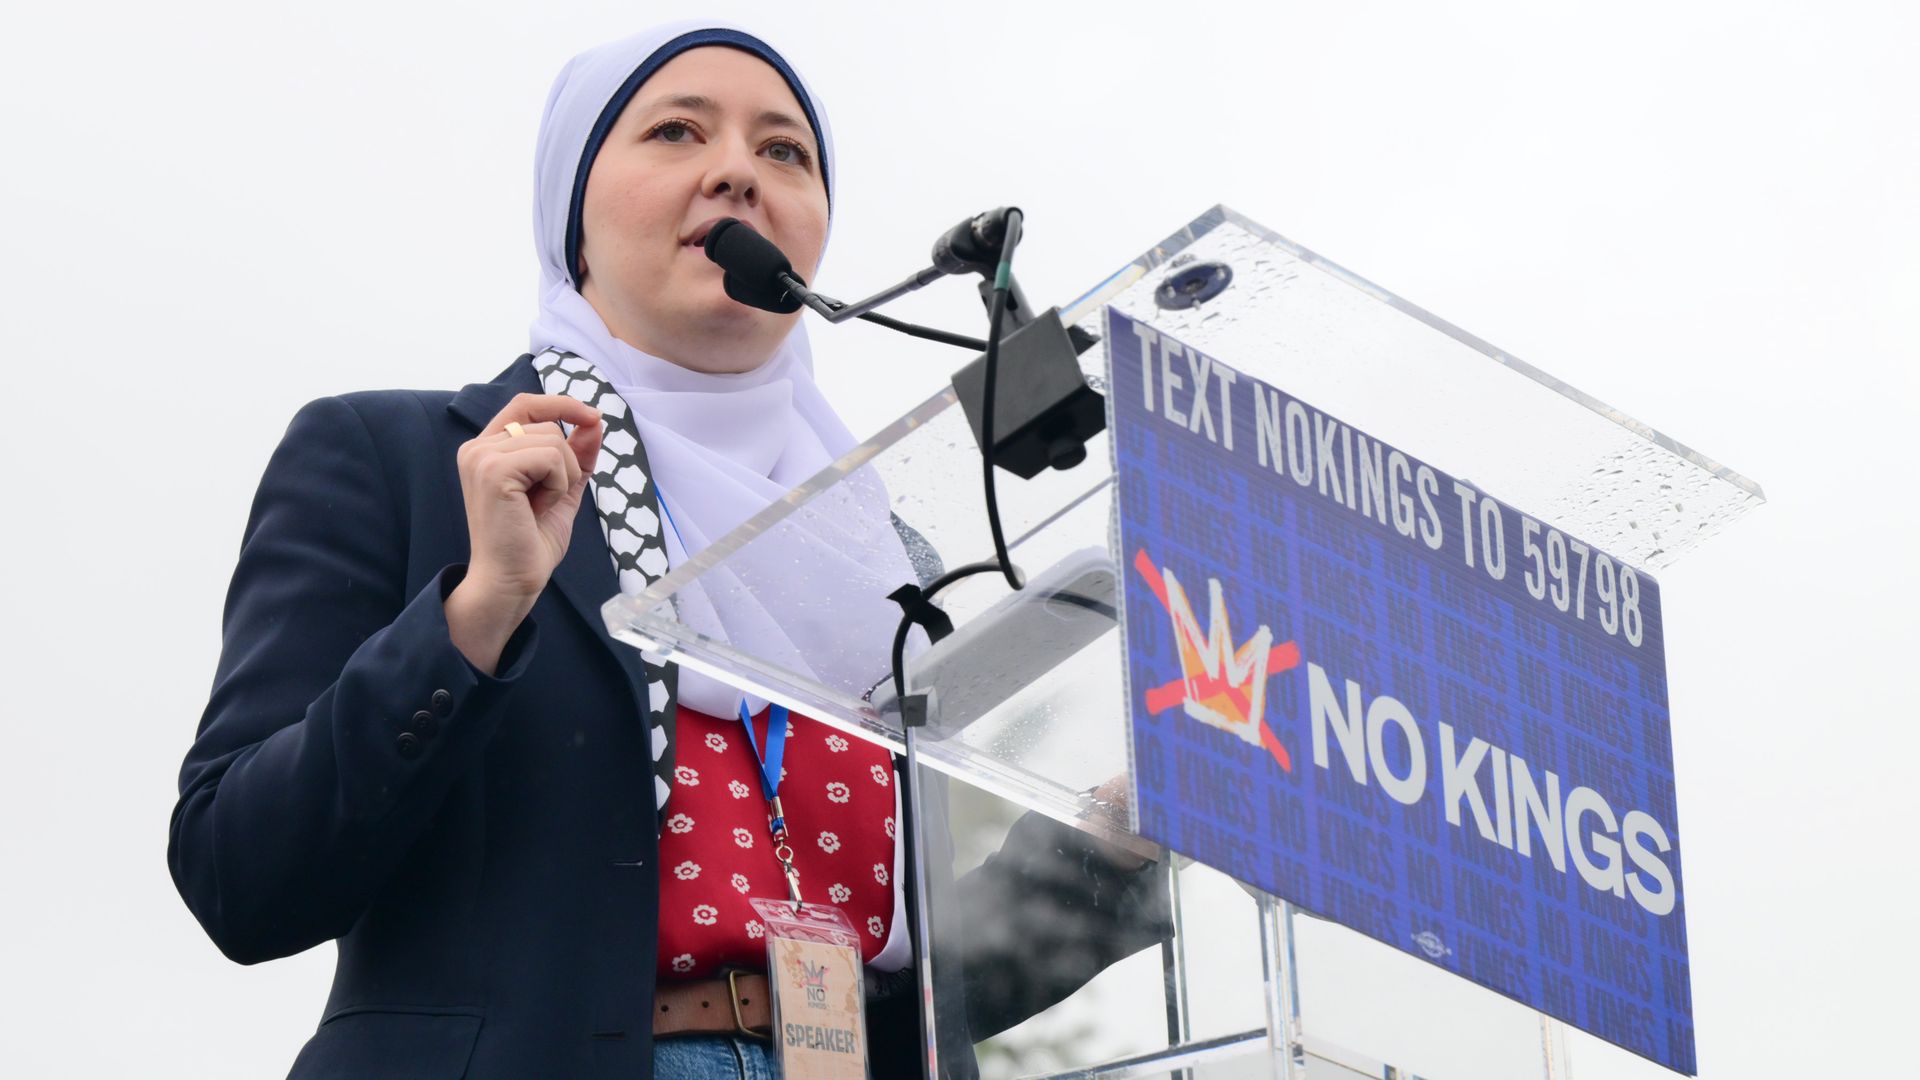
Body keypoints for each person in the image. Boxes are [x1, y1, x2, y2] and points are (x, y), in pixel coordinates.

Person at [168, 20, 1168, 1080]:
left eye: (785, 152)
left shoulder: (885, 550)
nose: (737, 170)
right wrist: (475, 611)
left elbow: (915, 973)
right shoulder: (406, 462)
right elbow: (242, 873)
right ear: (575, 222)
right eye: (677, 132)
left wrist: (1099, 846)